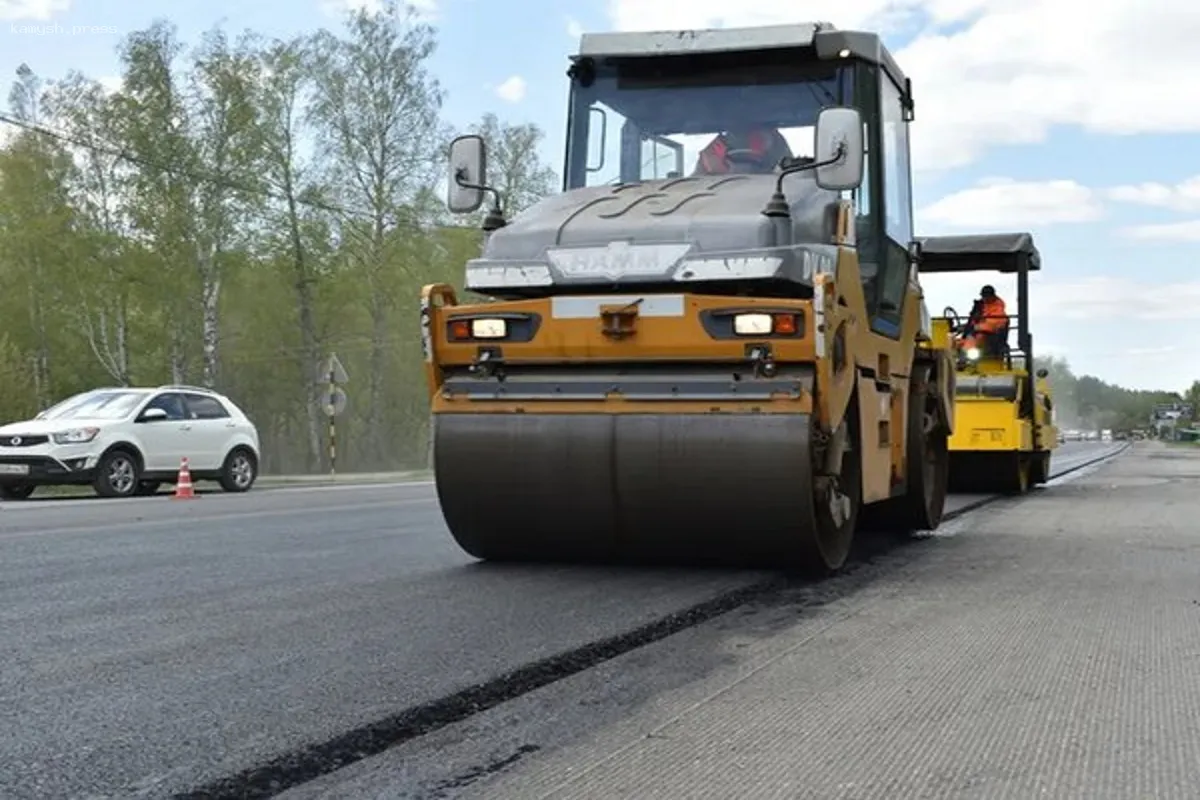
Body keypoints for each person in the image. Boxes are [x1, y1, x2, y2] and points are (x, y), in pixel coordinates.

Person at [693, 126, 793, 175]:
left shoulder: (775, 140)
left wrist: (725, 171)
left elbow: (791, 174)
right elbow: (690, 189)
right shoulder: (713, 150)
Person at [959, 284, 1009, 357]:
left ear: (992, 296)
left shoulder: (998, 310)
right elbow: (974, 322)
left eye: (986, 296)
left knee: (972, 341)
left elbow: (992, 325)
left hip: (989, 338)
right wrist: (963, 327)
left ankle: (963, 360)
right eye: (983, 296)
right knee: (953, 342)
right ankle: (952, 362)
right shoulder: (980, 306)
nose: (984, 298)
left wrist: (976, 327)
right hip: (975, 335)